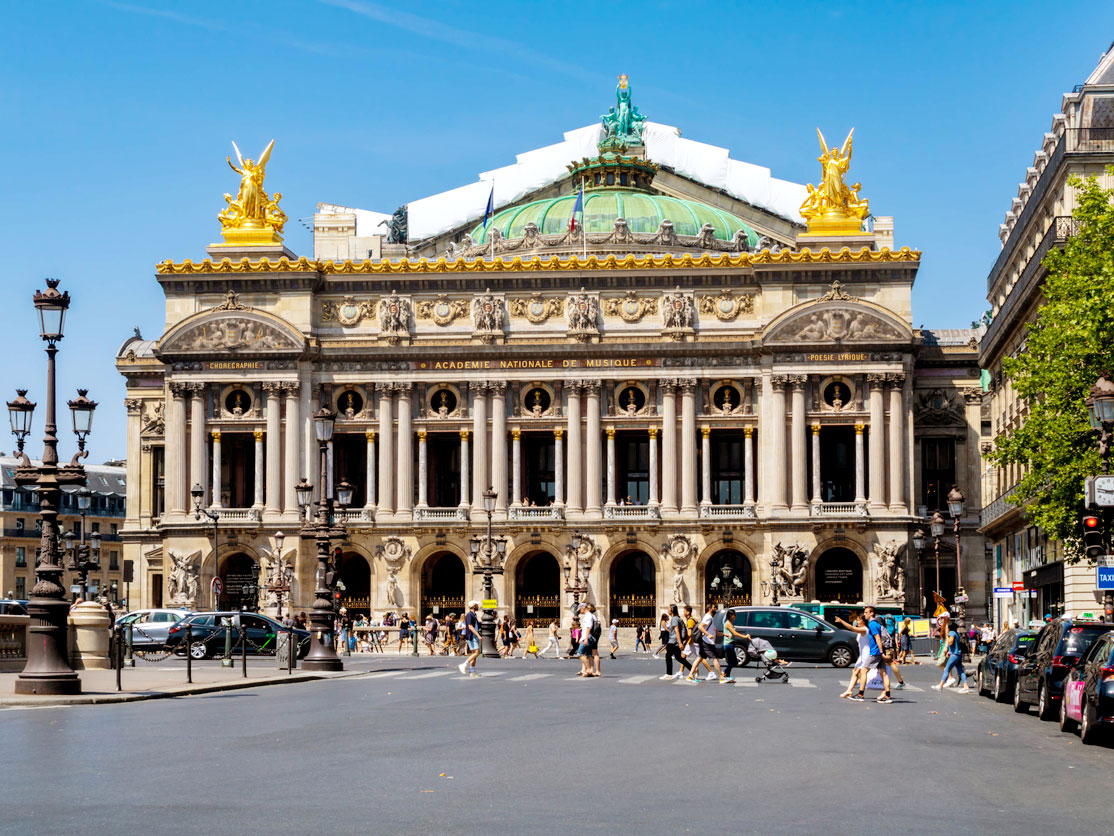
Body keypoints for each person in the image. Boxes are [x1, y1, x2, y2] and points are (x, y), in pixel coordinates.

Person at [848, 605, 892, 703]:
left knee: (863, 671)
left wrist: (880, 652)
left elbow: (877, 638)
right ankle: (887, 696)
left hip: (875, 652)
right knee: (883, 674)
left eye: (866, 612)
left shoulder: (872, 624)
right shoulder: (877, 623)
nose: (865, 614)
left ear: (871, 613)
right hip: (879, 652)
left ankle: (860, 695)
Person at [685, 603, 726, 684]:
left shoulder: (710, 618)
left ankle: (690, 675)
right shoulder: (708, 617)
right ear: (710, 608)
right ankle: (721, 677)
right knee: (715, 658)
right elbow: (700, 627)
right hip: (707, 642)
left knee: (699, 657)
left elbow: (715, 632)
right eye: (714, 607)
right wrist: (708, 634)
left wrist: (724, 634)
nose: (716, 609)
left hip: (706, 641)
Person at [834, 614, 871, 698]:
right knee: (855, 672)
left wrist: (841, 621)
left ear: (863, 621)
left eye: (858, 620)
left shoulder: (864, 629)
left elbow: (851, 628)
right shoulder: (861, 631)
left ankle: (860, 693)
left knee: (862, 673)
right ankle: (849, 691)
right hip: (862, 655)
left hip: (866, 655)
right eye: (856, 620)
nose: (857, 622)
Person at [932, 617, 970, 693]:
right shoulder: (956, 633)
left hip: (954, 655)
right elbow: (954, 645)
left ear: (949, 628)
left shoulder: (951, 633)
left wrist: (947, 637)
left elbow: (950, 642)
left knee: (946, 669)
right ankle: (966, 687)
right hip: (957, 654)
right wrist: (949, 651)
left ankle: (940, 686)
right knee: (960, 671)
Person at [659, 604, 688, 680]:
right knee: (678, 657)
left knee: (668, 656)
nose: (668, 610)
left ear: (671, 610)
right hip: (675, 640)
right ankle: (692, 669)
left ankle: (669, 674)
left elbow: (677, 631)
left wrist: (680, 643)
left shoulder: (674, 619)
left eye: (668, 608)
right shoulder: (678, 618)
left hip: (673, 641)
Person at [458, 601, 482, 677]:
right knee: (477, 652)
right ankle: (464, 664)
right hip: (472, 636)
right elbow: (470, 626)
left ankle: (472, 671)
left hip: (473, 635)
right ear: (473, 606)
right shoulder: (469, 615)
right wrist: (478, 635)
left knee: (474, 653)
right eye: (476, 605)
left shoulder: (473, 615)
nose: (478, 606)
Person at [576, 604, 597, 677]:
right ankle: (591, 671)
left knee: (580, 653)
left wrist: (585, 639)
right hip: (589, 637)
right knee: (589, 655)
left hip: (588, 637)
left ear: (583, 608)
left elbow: (588, 627)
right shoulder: (589, 615)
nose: (579, 612)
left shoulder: (588, 615)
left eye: (579, 610)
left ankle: (588, 669)